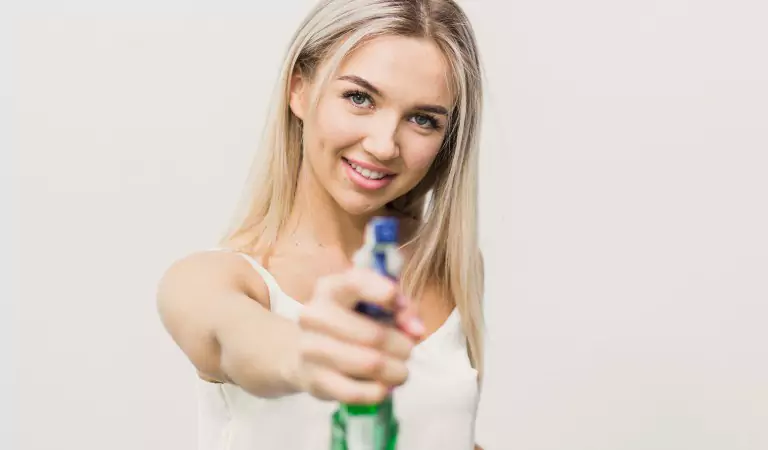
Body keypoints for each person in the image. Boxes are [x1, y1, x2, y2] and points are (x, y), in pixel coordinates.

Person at [157, 0, 488, 448]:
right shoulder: (210, 281)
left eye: (422, 119)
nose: (384, 145)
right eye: (359, 98)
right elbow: (237, 340)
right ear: (299, 90)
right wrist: (310, 355)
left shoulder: (449, 265)